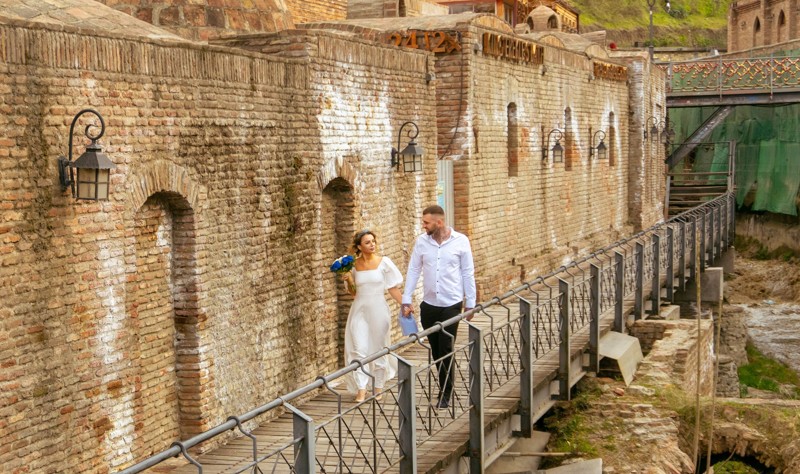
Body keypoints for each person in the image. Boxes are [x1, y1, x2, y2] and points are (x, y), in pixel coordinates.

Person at [402, 205, 476, 409]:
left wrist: (470, 303)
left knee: (445, 347)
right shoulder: (422, 242)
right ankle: (444, 383)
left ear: (439, 222)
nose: (423, 225)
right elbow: (414, 269)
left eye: (426, 222)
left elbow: (467, 272)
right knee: (436, 351)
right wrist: (406, 299)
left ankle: (446, 392)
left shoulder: (461, 241)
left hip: (451, 304)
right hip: (429, 305)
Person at [341, 229, 404, 402]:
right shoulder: (352, 265)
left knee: (379, 348)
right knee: (358, 349)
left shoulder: (385, 262)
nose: (372, 245)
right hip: (359, 310)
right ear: (359, 246)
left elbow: (392, 288)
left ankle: (378, 387)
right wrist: (348, 280)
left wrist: (405, 305)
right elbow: (354, 293)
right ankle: (361, 389)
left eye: (373, 241)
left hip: (378, 309)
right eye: (367, 242)